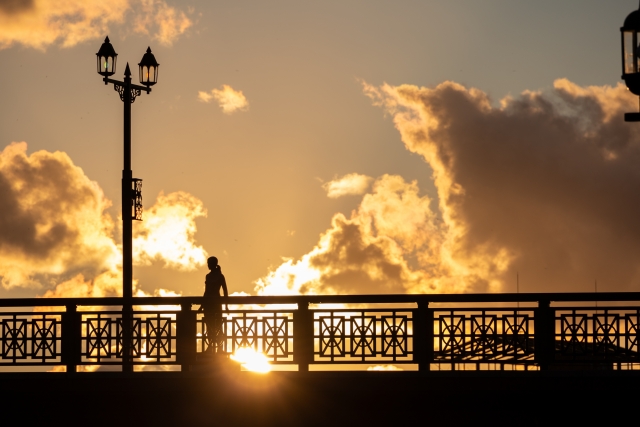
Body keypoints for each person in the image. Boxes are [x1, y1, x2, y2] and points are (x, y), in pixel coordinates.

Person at [201, 256, 228, 353]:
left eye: (209, 263)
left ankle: (219, 347)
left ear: (213, 264)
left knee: (217, 326)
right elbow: (206, 292)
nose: (208, 265)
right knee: (210, 326)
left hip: (216, 304)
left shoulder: (220, 276)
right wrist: (202, 305)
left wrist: (226, 306)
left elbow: (225, 291)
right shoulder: (208, 276)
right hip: (209, 305)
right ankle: (211, 347)